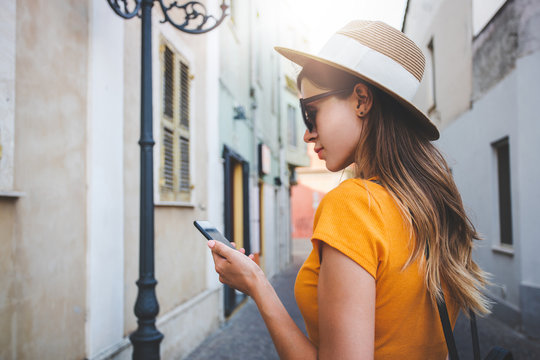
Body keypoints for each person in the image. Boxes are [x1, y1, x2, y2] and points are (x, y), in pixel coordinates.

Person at [207, 20, 490, 359]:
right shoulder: (431, 207)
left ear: (361, 100)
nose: (307, 134)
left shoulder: (353, 205)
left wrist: (257, 285)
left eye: (310, 113)